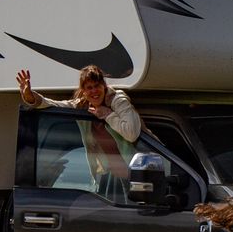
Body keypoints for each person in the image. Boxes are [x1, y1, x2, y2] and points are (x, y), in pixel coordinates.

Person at [15, 64, 142, 199]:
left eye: (97, 85)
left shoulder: (118, 100)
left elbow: (132, 133)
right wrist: (29, 96)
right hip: (108, 179)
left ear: (104, 86)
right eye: (89, 88)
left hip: (135, 177)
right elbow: (54, 105)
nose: (94, 91)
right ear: (83, 91)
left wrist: (108, 114)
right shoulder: (82, 106)